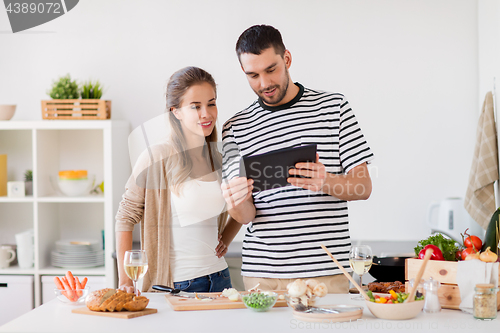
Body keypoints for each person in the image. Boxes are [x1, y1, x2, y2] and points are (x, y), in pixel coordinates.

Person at [221, 25, 374, 293]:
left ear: (287, 59)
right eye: (253, 75)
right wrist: (235, 201)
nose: (264, 83)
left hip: (326, 274)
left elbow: (363, 188)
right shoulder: (235, 127)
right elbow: (245, 215)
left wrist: (324, 181)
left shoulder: (334, 108)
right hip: (263, 276)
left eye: (271, 70)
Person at [116, 66, 241, 293]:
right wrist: (125, 281)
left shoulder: (220, 159)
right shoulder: (157, 158)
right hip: (178, 285)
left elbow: (242, 205)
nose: (207, 113)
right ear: (176, 111)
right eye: (195, 106)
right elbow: (125, 217)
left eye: (211, 103)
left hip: (221, 279)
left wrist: (227, 236)